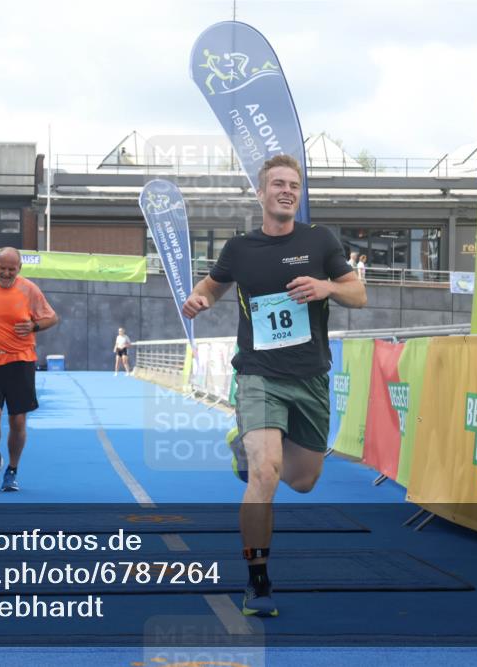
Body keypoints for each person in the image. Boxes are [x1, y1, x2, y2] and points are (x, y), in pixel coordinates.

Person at [182, 154, 367, 618]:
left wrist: (327, 288)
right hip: (258, 375)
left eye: (294, 186)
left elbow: (359, 294)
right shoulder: (240, 248)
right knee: (265, 474)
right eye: (278, 184)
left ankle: (247, 445)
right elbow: (213, 285)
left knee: (303, 480)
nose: (287, 190)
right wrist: (199, 298)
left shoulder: (320, 240)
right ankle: (257, 580)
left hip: (309, 377)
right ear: (261, 193)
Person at [0, 247, 59, 492]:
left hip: (20, 361)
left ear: (19, 269)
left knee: (17, 420)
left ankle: (12, 470)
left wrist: (34, 326)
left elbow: (52, 317)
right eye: (1, 268)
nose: (6, 273)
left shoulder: (29, 289)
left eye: (11, 269)